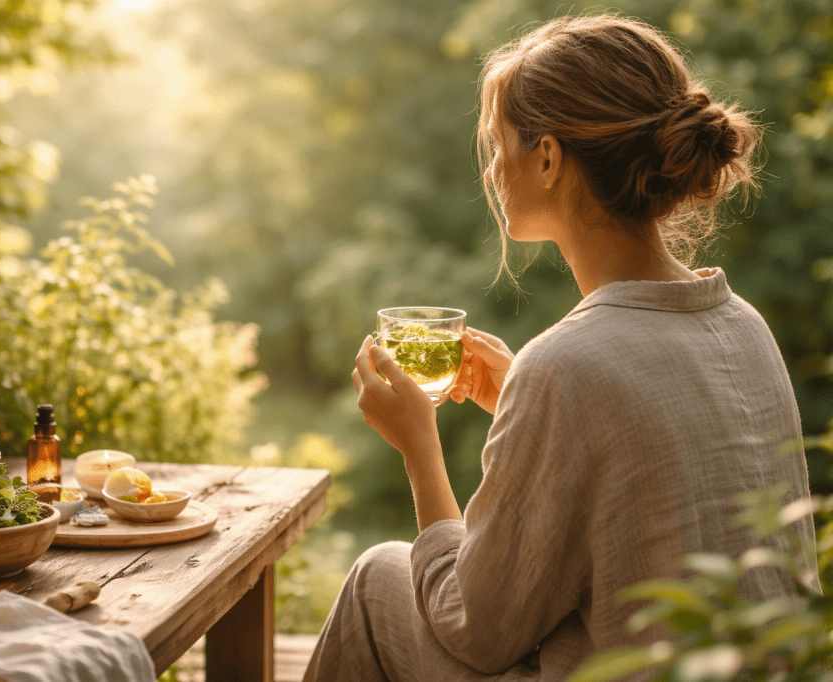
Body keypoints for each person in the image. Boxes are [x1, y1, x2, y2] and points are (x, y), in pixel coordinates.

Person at [304, 14, 820, 682]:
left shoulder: (569, 365)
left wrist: (418, 447)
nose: (491, 168)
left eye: (498, 144)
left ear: (547, 158)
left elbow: (476, 630)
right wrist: (522, 390)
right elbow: (651, 488)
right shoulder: (743, 323)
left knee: (380, 578)